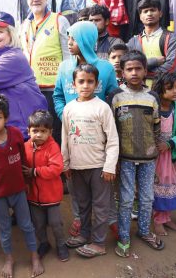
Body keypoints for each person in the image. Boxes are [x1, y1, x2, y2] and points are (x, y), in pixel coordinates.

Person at [53, 21, 117, 237]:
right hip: (73, 133)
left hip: (97, 136)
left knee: (100, 186)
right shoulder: (64, 67)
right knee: (76, 184)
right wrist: (66, 115)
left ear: (86, 40)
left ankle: (107, 222)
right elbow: (58, 96)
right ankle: (81, 220)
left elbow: (113, 96)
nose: (69, 43)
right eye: (69, 38)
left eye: (74, 39)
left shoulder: (106, 68)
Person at [0, 94, 44, 278]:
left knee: (26, 225)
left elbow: (23, 162)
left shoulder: (15, 134)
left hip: (19, 191)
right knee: (4, 228)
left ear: (6, 118)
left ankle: (34, 256)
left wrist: (28, 183)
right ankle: (9, 258)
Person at [107, 50, 163, 258]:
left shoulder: (152, 97)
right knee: (126, 199)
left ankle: (144, 231)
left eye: (138, 68)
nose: (134, 73)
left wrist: (157, 147)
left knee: (147, 198)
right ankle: (123, 236)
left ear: (145, 71)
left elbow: (157, 127)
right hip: (125, 159)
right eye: (129, 69)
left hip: (148, 158)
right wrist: (113, 160)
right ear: (122, 72)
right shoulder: (115, 96)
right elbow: (111, 130)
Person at [62, 64, 119, 258]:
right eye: (81, 81)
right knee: (83, 204)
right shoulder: (69, 109)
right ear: (73, 84)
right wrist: (66, 164)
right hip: (77, 167)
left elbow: (112, 140)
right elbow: (65, 139)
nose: (85, 85)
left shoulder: (102, 108)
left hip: (99, 167)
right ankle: (84, 235)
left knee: (101, 206)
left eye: (90, 81)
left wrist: (110, 166)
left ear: (97, 84)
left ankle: (99, 242)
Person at [21, 0, 71, 143]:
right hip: (31, 89)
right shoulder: (24, 25)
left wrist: (68, 84)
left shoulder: (59, 20)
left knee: (54, 133)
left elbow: (68, 55)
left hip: (54, 89)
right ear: (27, 0)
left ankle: (59, 166)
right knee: (35, 133)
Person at [23, 110, 69, 262]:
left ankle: (61, 245)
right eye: (35, 130)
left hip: (51, 196)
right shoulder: (25, 147)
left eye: (43, 131)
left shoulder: (52, 147)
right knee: (38, 224)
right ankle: (44, 243)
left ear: (50, 132)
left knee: (56, 223)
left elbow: (57, 168)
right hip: (33, 196)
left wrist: (35, 172)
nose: (39, 134)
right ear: (28, 131)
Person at [151, 73, 176, 236]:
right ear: (160, 90)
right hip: (154, 156)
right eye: (170, 88)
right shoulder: (152, 107)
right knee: (158, 186)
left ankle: (165, 218)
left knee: (170, 185)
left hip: (170, 155)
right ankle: (157, 220)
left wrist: (169, 144)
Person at [127, 0, 176, 86]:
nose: (149, 14)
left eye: (152, 10)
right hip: (140, 94)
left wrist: (140, 73)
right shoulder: (133, 41)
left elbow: (172, 68)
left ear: (160, 13)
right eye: (145, 11)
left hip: (164, 94)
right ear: (140, 16)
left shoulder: (171, 38)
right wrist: (154, 61)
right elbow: (126, 66)